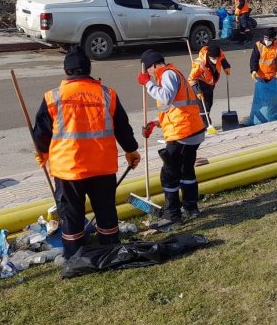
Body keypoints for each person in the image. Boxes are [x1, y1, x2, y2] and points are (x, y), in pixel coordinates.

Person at [32, 47, 140, 259]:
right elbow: (122, 127)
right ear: (89, 69)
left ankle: (75, 257)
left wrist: (42, 152)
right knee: (106, 212)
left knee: (71, 216)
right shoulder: (107, 95)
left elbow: (40, 133)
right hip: (102, 166)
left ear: (66, 72)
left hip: (68, 169)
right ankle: (110, 250)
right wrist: (131, 150)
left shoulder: (53, 97)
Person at [137, 49, 206, 226]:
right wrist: (154, 123)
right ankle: (191, 208)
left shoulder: (167, 74)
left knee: (169, 174)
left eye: (148, 71)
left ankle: (173, 215)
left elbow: (166, 98)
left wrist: (148, 84)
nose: (148, 74)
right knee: (186, 170)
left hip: (182, 133)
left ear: (152, 66)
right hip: (192, 130)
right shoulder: (173, 74)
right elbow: (175, 108)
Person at [248, 29, 277, 124]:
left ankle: (273, 116)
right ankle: (259, 119)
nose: (266, 40)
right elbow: (253, 59)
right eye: (265, 38)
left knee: (273, 98)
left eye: (269, 38)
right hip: (260, 77)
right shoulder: (258, 45)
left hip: (273, 77)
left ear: (273, 38)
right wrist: (253, 70)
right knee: (260, 99)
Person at [188, 44, 231, 127]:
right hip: (200, 84)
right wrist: (197, 91)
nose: (216, 60)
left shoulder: (218, 54)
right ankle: (205, 125)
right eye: (214, 59)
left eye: (217, 58)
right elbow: (191, 79)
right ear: (209, 56)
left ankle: (206, 122)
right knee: (202, 106)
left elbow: (222, 57)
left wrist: (226, 66)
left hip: (211, 84)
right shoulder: (199, 63)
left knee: (209, 104)